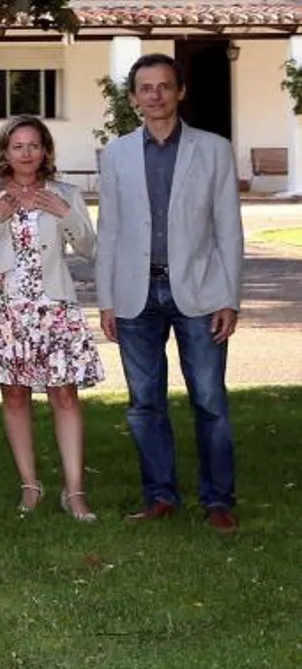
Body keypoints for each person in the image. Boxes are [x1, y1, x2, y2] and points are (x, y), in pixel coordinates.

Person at [96, 53, 244, 533]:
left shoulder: (214, 149)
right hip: (136, 296)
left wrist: (230, 297)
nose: (155, 95)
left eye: (164, 86)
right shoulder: (115, 154)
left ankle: (218, 499)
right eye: (146, 87)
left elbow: (228, 229)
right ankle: (160, 496)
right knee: (144, 404)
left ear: (180, 92)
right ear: (134, 96)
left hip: (199, 292)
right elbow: (111, 231)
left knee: (209, 400)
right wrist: (107, 300)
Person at [0, 116, 103, 521]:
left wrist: (65, 212)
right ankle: (30, 486)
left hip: (55, 309)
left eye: (34, 145)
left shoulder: (65, 192)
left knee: (64, 395)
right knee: (14, 395)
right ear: (5, 151)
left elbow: (90, 249)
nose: (26, 153)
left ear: (46, 151)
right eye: (18, 146)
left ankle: (75, 491)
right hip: (6, 307)